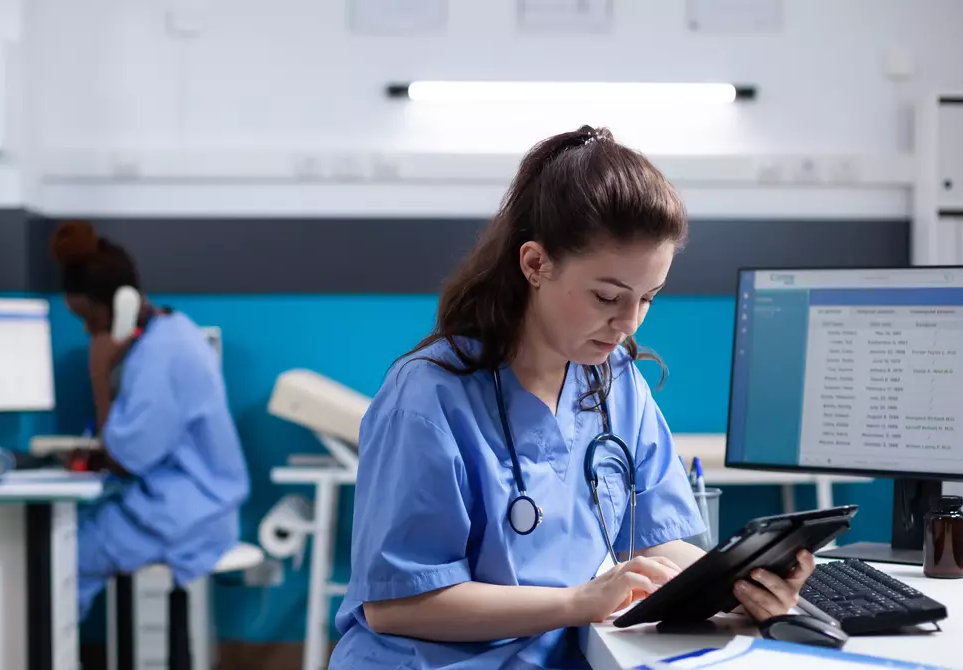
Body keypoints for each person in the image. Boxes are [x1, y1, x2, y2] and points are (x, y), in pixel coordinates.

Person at [330, 126, 815, 669]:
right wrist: (578, 602)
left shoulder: (615, 382)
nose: (627, 323)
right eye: (607, 296)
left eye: (648, 299)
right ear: (535, 264)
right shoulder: (427, 398)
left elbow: (657, 545)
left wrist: (740, 582)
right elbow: (398, 607)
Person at [49, 220, 251, 618]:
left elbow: (127, 458)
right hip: (186, 504)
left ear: (122, 305)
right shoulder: (169, 334)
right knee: (69, 536)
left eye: (91, 320)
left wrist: (99, 373)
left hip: (191, 514)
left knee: (57, 557)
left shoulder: (161, 355)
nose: (90, 332)